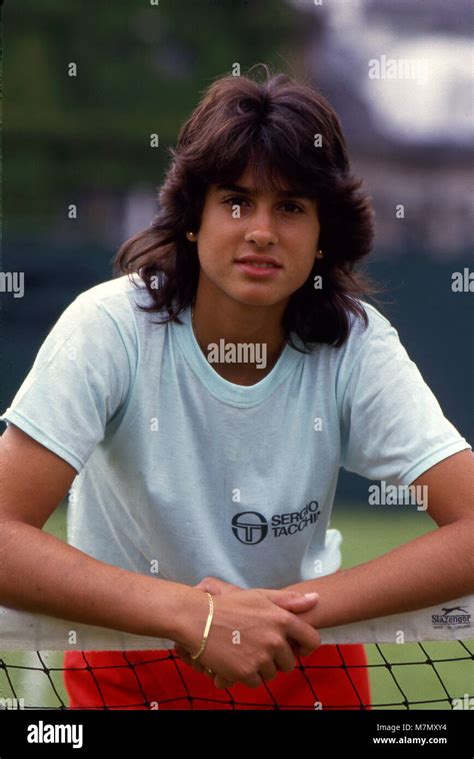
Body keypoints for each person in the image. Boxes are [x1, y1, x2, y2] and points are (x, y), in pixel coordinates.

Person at [0, 66, 472, 711]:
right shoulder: (107, 327)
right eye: (236, 201)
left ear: (322, 233)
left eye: (291, 207)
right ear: (193, 217)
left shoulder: (356, 344)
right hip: (127, 677)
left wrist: (273, 617)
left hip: (308, 666)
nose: (261, 230)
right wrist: (193, 615)